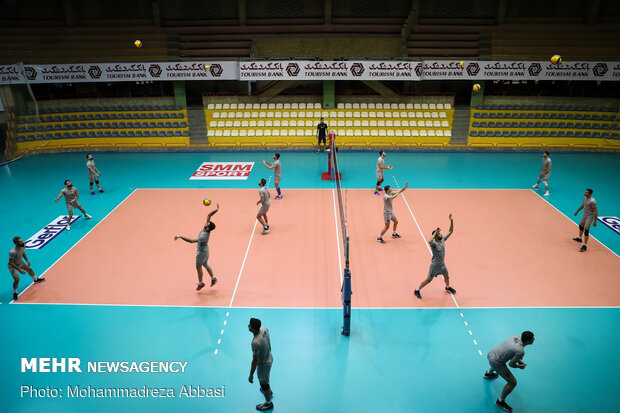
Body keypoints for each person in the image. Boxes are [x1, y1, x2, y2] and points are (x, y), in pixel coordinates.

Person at [483, 331, 535, 412]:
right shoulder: (521, 351)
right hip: (496, 362)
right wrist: (519, 366)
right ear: (528, 341)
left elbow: (510, 352)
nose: (534, 339)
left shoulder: (515, 336)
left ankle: (488, 373)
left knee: (500, 360)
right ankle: (500, 401)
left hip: (491, 354)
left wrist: (519, 361)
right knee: (513, 382)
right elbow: (511, 364)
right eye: (532, 338)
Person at [174, 203, 219, 290]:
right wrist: (216, 210)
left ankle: (200, 283)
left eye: (208, 223)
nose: (207, 222)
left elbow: (191, 241)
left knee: (198, 267)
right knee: (205, 263)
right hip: (206, 250)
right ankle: (213, 278)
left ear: (208, 228)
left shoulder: (203, 236)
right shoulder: (207, 228)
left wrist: (180, 236)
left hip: (201, 252)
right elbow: (209, 215)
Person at [414, 214, 456, 298]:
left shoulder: (443, 239)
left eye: (440, 233)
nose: (441, 234)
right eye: (439, 234)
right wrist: (435, 233)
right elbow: (429, 241)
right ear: (436, 237)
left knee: (447, 276)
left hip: (442, 264)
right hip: (435, 265)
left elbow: (450, 231)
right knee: (429, 279)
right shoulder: (434, 243)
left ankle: (447, 287)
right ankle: (417, 290)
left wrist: (451, 221)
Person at [8, 236, 45, 301]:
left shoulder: (23, 245)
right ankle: (15, 293)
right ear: (16, 243)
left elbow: (23, 252)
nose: (22, 242)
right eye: (20, 241)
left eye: (22, 240)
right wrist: (19, 269)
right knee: (17, 279)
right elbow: (10, 262)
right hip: (13, 266)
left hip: (20, 262)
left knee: (30, 270)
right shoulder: (12, 252)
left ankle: (36, 280)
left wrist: (27, 260)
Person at [248, 317, 273, 411]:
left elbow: (255, 361)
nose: (248, 325)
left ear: (253, 328)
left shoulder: (255, 343)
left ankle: (268, 403)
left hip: (264, 364)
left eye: (249, 325)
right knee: (266, 379)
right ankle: (267, 390)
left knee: (264, 384)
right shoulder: (263, 328)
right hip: (269, 356)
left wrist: (251, 375)